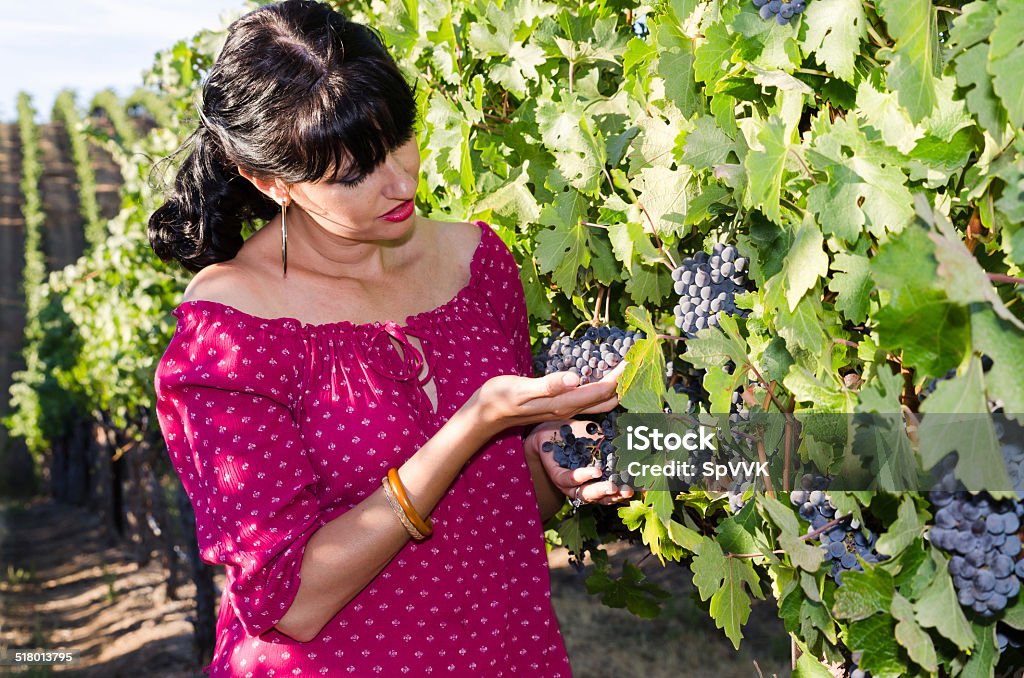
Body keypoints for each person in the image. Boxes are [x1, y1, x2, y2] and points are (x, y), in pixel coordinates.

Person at [148, 1, 632, 675]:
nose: (400, 181)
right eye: (353, 173)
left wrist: (562, 469)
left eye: (397, 138)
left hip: (506, 651)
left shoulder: (477, 262)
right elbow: (289, 603)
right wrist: (470, 426)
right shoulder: (228, 338)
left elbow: (500, 503)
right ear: (269, 182)